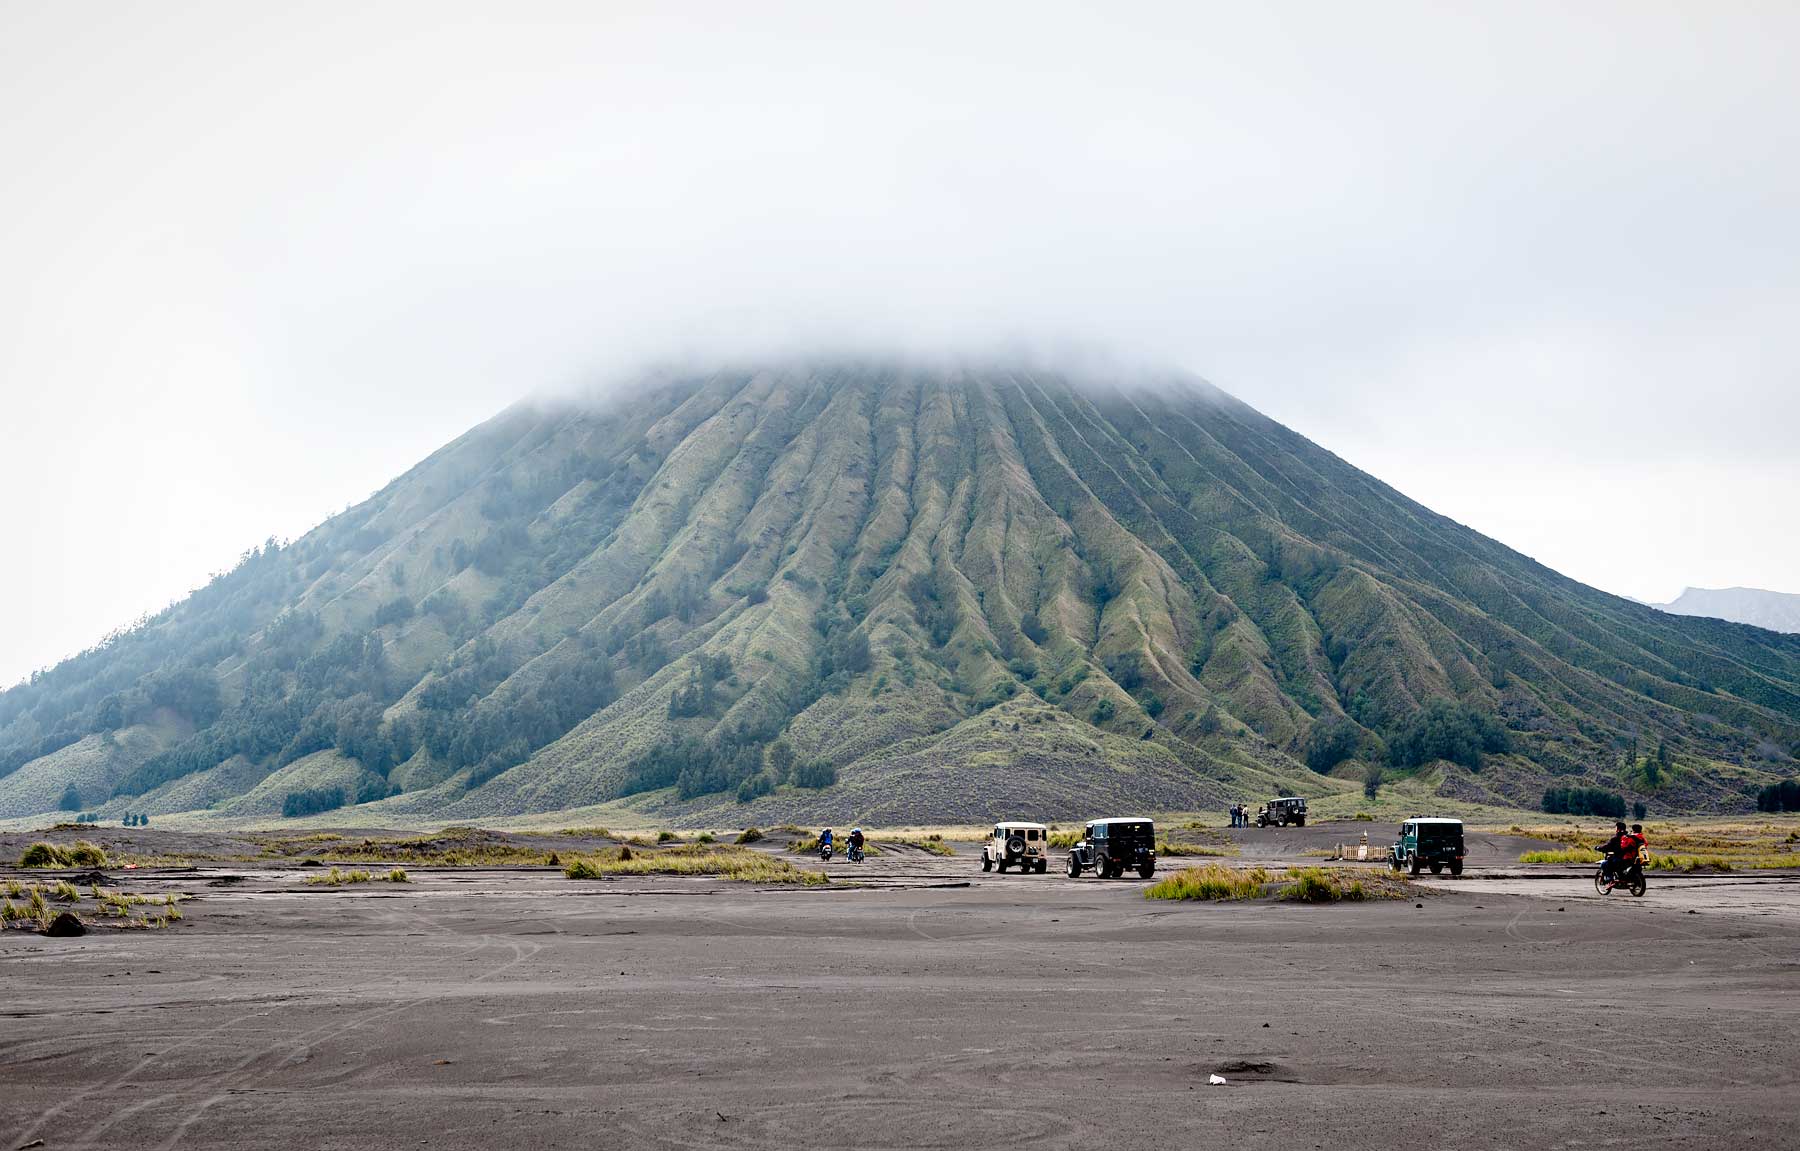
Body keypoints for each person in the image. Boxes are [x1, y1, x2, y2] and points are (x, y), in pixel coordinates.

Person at [1596, 821, 1629, 887]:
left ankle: (1610, 879)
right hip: (1629, 859)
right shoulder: (1629, 837)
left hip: (1619, 859)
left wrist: (1598, 848)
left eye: (1616, 828)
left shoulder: (1615, 839)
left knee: (1604, 864)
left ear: (1618, 829)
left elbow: (1607, 847)